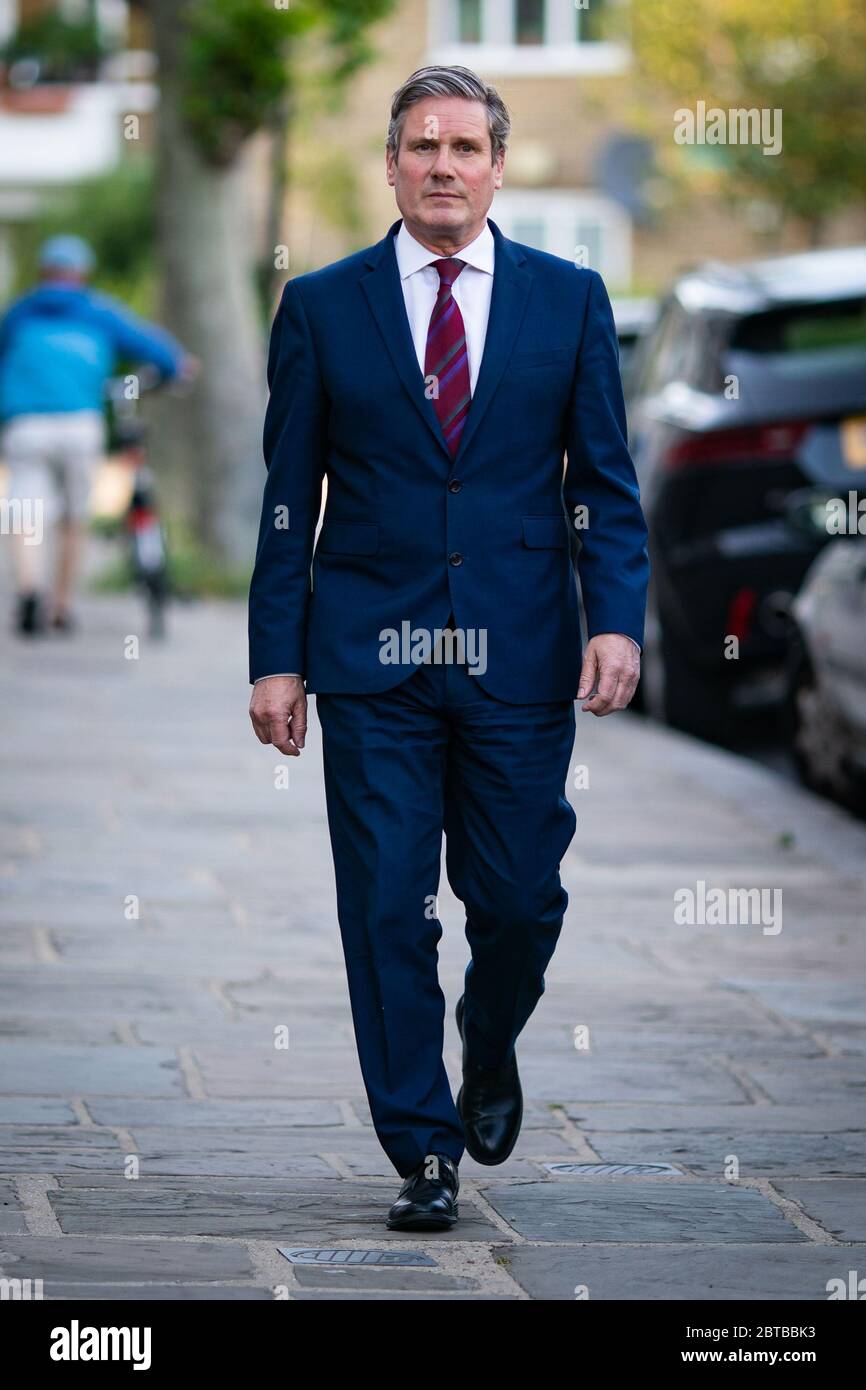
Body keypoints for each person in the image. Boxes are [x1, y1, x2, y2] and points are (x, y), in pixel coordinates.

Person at [248, 66, 650, 1231]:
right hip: (370, 660)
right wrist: (277, 655)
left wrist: (614, 617)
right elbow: (286, 500)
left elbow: (605, 487)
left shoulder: (566, 301)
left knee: (518, 902)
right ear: (389, 165)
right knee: (384, 906)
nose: (441, 165)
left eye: (464, 147)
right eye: (420, 146)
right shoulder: (323, 308)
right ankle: (421, 1147)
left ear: (496, 167)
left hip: (518, 654)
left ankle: (488, 1036)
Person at [0, 234, 194, 635]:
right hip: (79, 424)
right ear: (82, 274)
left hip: (25, 426)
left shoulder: (20, 313)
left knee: (25, 513)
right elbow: (153, 348)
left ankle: (29, 590)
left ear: (43, 272)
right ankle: (60, 606)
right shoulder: (97, 312)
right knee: (74, 516)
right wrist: (179, 365)